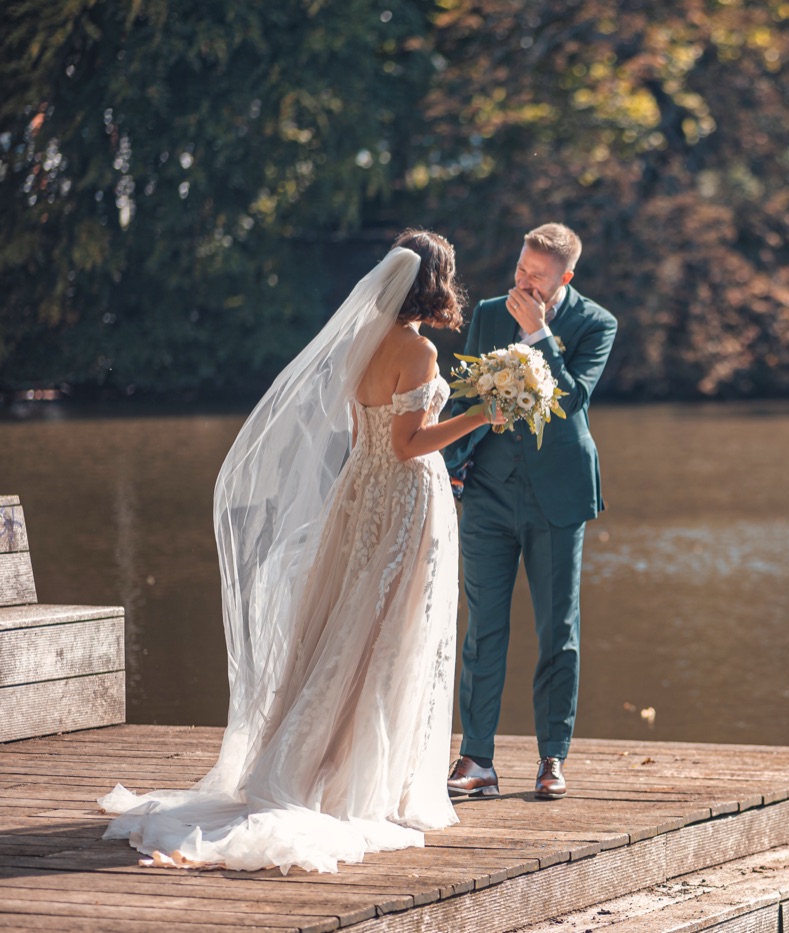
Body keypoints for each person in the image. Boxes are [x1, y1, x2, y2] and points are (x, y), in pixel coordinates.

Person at [100, 230, 503, 873]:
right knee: (390, 635)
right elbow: (407, 444)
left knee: (347, 628)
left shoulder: (363, 341)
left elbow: (365, 432)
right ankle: (360, 783)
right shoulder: (419, 351)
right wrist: (484, 414)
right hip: (401, 502)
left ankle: (326, 764)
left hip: (359, 496)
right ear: (437, 282)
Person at [443, 223, 617, 801]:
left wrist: (540, 335)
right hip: (490, 491)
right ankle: (476, 758)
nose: (523, 283)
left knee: (556, 632)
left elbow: (571, 405)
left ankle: (551, 758)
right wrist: (451, 465)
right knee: (482, 627)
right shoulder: (491, 312)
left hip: (557, 496)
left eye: (536, 277)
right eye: (520, 270)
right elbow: (467, 396)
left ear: (565, 277)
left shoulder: (596, 324)